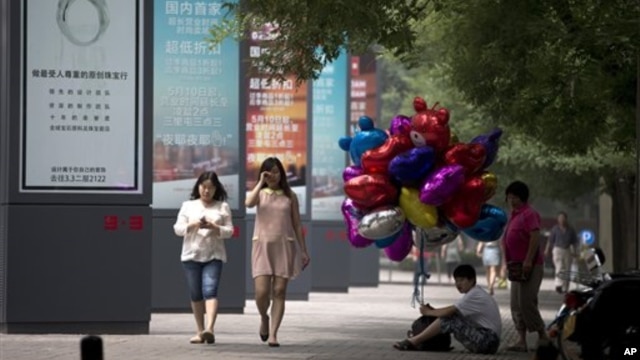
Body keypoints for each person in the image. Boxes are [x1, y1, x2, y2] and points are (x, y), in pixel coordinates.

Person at [246, 157, 311, 347]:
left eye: (276, 171)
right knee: (261, 293)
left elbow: (297, 224)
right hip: (262, 246)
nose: (273, 175)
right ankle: (263, 317)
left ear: (282, 173)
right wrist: (260, 182)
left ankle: (273, 334)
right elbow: (249, 203)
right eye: (268, 172)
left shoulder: (290, 196)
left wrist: (304, 250)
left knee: (280, 291)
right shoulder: (260, 193)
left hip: (284, 245)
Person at [173, 171, 234, 344]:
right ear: (198, 187)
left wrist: (215, 227)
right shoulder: (188, 206)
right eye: (203, 187)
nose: (206, 191)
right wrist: (193, 225)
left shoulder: (222, 207)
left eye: (211, 188)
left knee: (210, 290)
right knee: (195, 293)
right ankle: (200, 331)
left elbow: (230, 231)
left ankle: (210, 328)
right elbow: (177, 228)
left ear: (216, 189)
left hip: (213, 254)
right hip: (191, 255)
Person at [393, 264, 502, 354]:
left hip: (487, 341)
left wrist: (429, 312)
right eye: (456, 281)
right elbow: (454, 311)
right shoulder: (475, 293)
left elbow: (449, 311)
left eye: (462, 280)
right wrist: (433, 311)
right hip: (487, 340)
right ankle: (418, 340)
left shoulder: (474, 294)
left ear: (472, 280)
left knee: (448, 319)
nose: (458, 284)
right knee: (450, 317)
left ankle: (413, 341)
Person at [501, 180, 549, 352]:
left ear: (522, 197)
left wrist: (528, 260)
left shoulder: (529, 214)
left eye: (514, 197)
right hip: (516, 267)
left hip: (531, 266)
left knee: (527, 302)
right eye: (509, 197)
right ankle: (521, 340)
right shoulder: (513, 215)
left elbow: (535, 237)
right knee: (515, 304)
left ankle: (543, 336)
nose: (511, 200)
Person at [544, 211, 579, 294]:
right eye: (560, 218)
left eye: (563, 218)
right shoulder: (555, 229)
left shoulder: (571, 229)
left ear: (566, 219)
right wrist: (547, 250)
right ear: (558, 219)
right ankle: (558, 284)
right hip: (557, 249)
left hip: (567, 250)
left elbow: (574, 242)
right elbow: (550, 240)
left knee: (567, 269)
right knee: (559, 267)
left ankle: (565, 287)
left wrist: (575, 251)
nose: (562, 220)